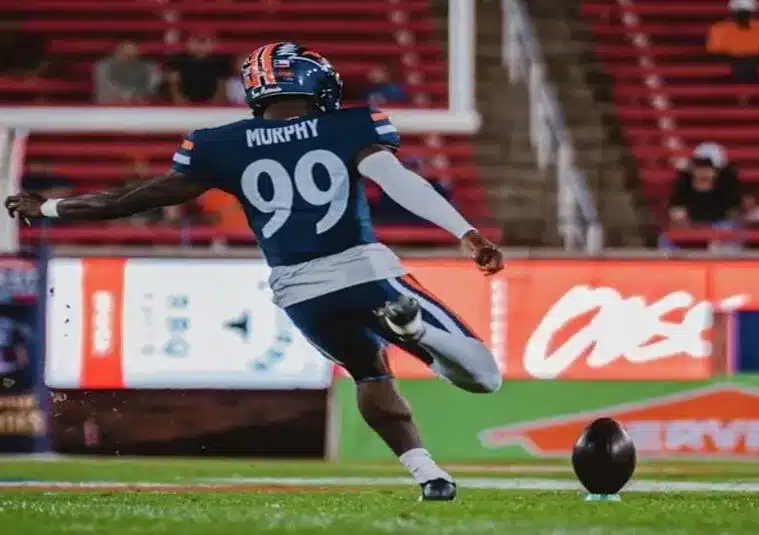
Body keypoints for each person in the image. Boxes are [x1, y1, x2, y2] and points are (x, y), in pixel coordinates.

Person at [5, 42, 503, 501]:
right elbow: (395, 179)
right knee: (484, 379)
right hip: (362, 269)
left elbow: (135, 199)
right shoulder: (352, 126)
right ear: (313, 84)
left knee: (369, 375)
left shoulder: (220, 144)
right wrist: (466, 232)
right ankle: (411, 327)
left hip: (300, 290)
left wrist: (50, 209)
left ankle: (430, 476)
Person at [668, 143, 742, 227]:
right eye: (700, 166)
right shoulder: (684, 183)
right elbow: (676, 209)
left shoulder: (729, 185)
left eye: (708, 167)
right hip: (690, 227)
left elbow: (734, 212)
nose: (704, 172)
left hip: (721, 227)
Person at [707, 0, 759, 82]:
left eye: (746, 12)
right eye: (740, 12)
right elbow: (715, 52)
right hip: (729, 67)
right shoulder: (719, 29)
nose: (743, 15)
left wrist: (749, 60)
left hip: (757, 67)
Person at [167, 34, 230, 104]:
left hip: (211, 107)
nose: (200, 46)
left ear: (213, 43)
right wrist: (183, 105)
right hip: (183, 106)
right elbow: (173, 87)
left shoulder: (220, 62)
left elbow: (221, 90)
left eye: (203, 41)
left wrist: (211, 108)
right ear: (189, 42)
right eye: (196, 41)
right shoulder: (177, 60)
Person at [94, 41, 160, 104]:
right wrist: (131, 95)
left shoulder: (149, 68)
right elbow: (106, 92)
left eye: (133, 50)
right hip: (109, 108)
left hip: (140, 109)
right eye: (126, 51)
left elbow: (150, 91)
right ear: (117, 50)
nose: (130, 54)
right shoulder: (102, 67)